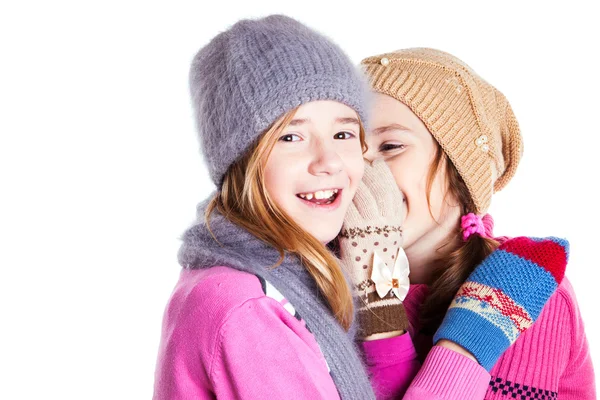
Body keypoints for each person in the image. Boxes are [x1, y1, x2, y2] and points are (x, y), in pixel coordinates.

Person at [357, 47, 595, 399]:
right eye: (348, 147)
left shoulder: (525, 294)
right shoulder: (339, 282)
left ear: (461, 174)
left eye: (391, 145)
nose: (361, 171)